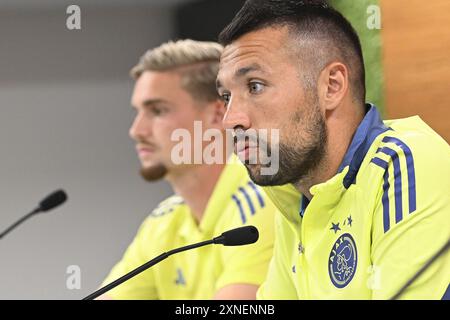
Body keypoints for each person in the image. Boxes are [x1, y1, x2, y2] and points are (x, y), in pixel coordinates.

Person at [216, 0, 450, 299]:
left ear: (332, 86)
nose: (230, 119)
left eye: (255, 86)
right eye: (226, 96)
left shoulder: (405, 161)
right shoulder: (295, 200)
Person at [101, 40, 276, 299]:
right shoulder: (163, 222)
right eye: (138, 112)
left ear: (218, 116)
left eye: (157, 111)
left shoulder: (262, 203)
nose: (137, 130)